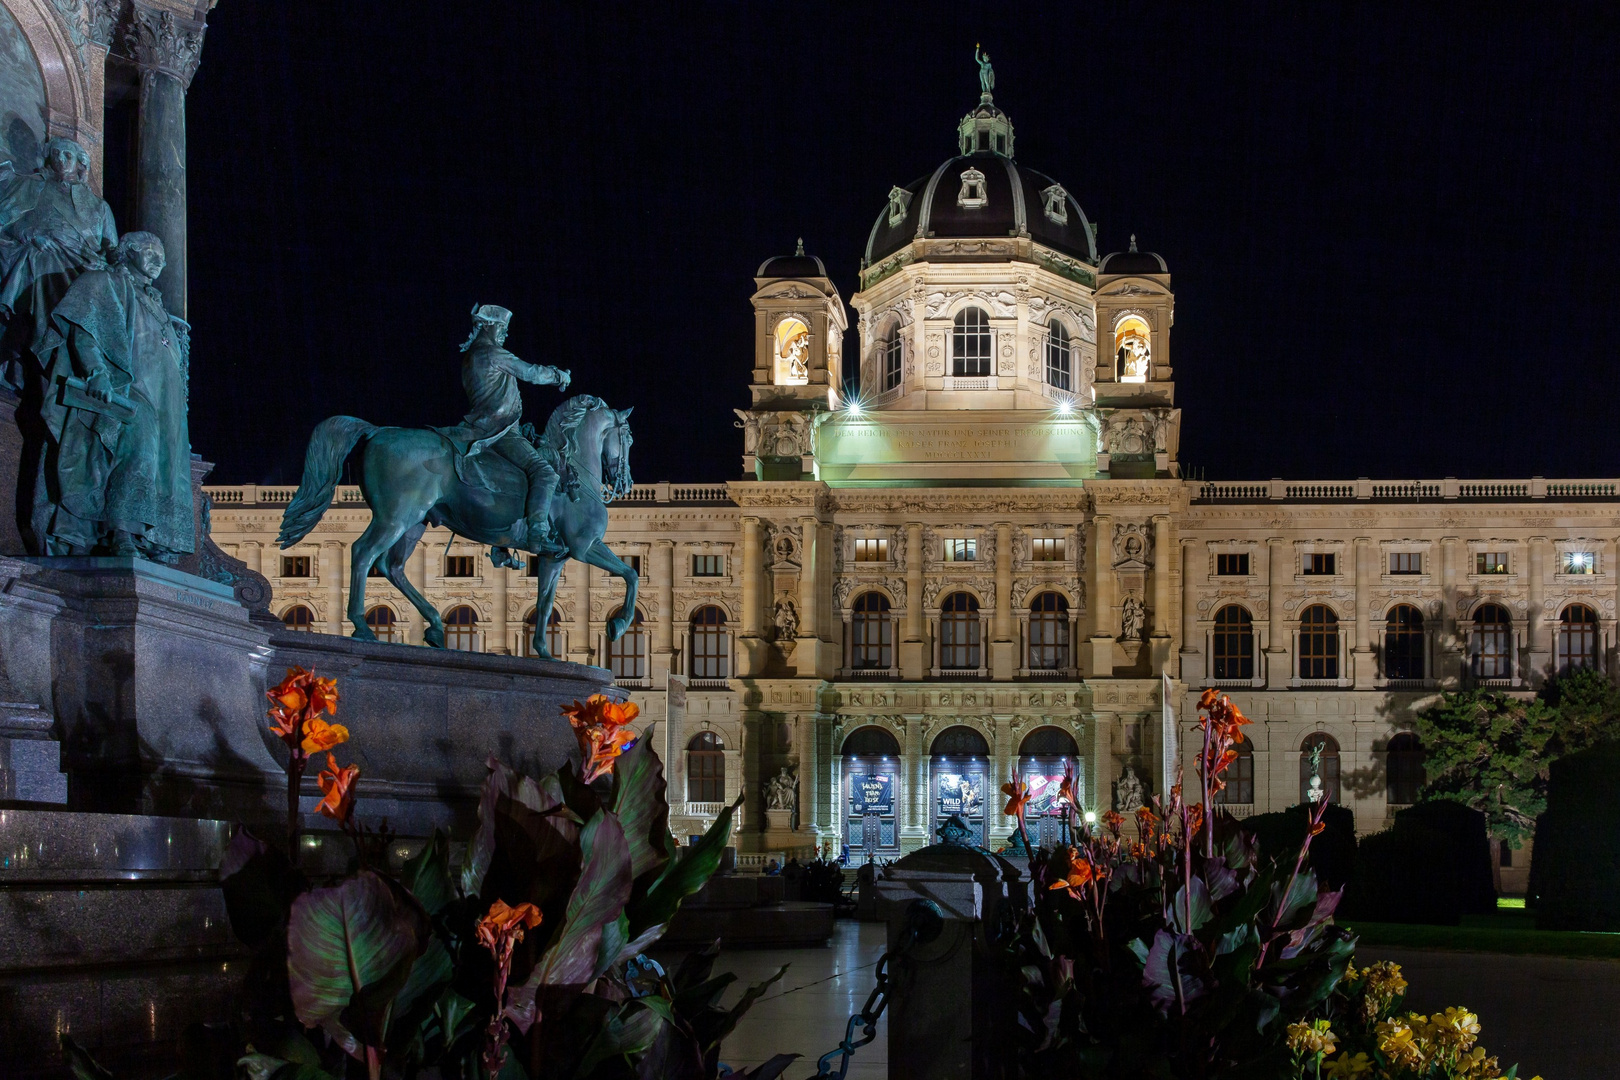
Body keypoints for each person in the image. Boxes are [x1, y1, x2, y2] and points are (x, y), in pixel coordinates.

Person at [32, 232, 191, 556]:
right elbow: (85, 331)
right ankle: (120, 533)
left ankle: (149, 538)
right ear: (127, 253)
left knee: (162, 467)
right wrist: (97, 373)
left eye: (161, 253)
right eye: (149, 251)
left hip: (163, 401)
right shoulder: (104, 282)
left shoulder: (157, 304)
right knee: (138, 454)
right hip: (128, 390)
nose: (158, 259)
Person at [433, 305, 570, 552]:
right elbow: (531, 373)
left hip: (481, 428)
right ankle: (538, 533)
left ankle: (501, 547)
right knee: (544, 472)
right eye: (502, 328)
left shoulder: (471, 356)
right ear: (489, 326)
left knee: (509, 481)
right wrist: (558, 376)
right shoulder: (491, 352)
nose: (505, 334)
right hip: (499, 431)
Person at [0, 138, 119, 389]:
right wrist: (31, 234)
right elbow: (8, 220)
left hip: (86, 266)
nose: (61, 159)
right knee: (36, 262)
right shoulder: (34, 186)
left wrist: (117, 266)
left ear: (81, 164)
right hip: (44, 254)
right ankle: (47, 351)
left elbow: (112, 250)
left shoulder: (99, 207)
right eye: (56, 154)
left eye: (68, 155)